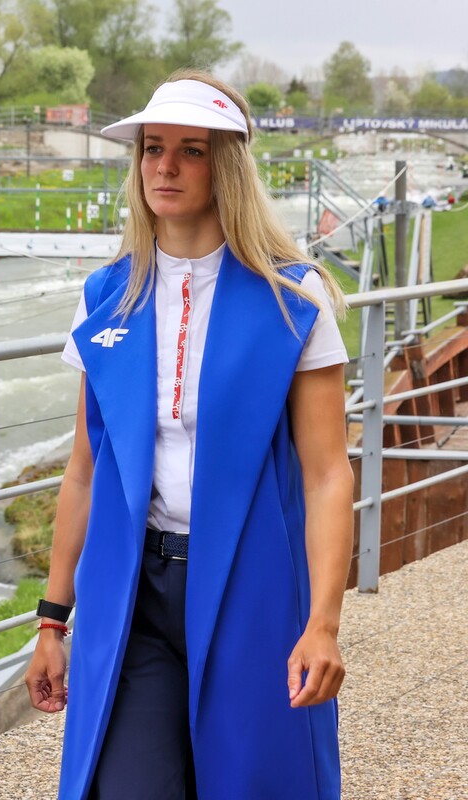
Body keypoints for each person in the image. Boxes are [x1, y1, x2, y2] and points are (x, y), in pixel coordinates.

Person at [25, 70, 353, 800]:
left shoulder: (293, 300)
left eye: (191, 151)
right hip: (133, 593)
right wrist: (52, 619)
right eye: (152, 148)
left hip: (252, 585)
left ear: (226, 165)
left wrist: (324, 622)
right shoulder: (107, 295)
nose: (164, 168)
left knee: (253, 781)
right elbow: (85, 467)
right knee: (129, 785)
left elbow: (329, 475)